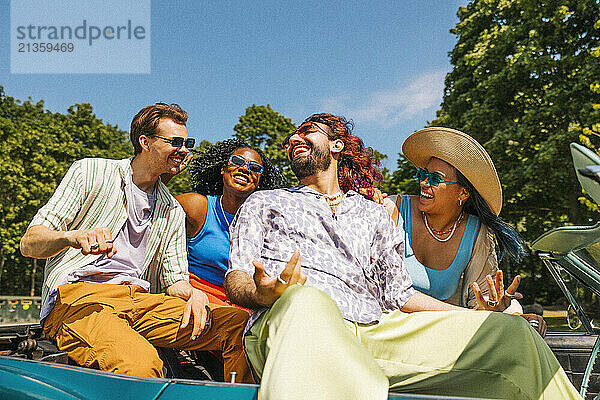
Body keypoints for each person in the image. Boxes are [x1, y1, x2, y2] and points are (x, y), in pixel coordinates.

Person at [224, 113, 580, 399]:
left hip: (375, 329)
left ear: (336, 145)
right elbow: (237, 273)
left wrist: (473, 318)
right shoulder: (265, 202)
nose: (293, 139)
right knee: (307, 302)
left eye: (307, 131)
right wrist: (261, 294)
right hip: (299, 316)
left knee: (512, 332)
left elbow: (399, 296)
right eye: (292, 137)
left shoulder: (373, 214)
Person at [19, 103, 252, 383]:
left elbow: (175, 280)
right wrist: (71, 237)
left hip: (139, 300)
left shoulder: (171, 209)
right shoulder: (91, 172)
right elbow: (30, 242)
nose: (184, 149)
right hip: (81, 298)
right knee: (141, 364)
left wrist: (194, 294)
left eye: (187, 142)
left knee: (241, 326)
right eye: (174, 142)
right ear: (145, 142)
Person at [384, 127, 526, 311]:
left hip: (442, 331)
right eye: (422, 174)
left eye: (435, 179)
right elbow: (383, 291)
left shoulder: (477, 234)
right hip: (387, 326)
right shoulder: (391, 210)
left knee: (517, 314)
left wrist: (494, 308)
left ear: (462, 192)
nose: (423, 183)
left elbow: (479, 304)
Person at [175, 139, 285, 305]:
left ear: (259, 182)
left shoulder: (266, 225)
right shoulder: (198, 207)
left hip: (244, 305)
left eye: (254, 168)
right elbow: (152, 208)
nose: (244, 169)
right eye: (237, 161)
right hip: (194, 297)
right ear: (223, 169)